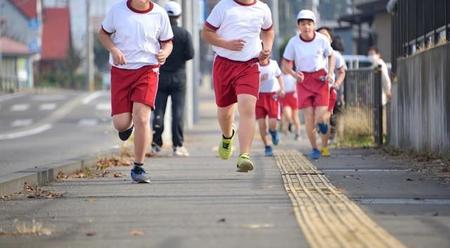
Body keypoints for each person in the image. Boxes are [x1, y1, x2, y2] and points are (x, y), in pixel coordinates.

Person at [98, 0, 173, 183]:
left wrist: (165, 52)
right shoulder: (117, 10)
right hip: (121, 70)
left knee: (142, 118)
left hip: (148, 70)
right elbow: (103, 34)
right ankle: (128, 126)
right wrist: (114, 49)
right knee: (120, 124)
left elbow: (167, 42)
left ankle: (138, 167)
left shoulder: (159, 14)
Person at [202, 0, 274, 172]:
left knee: (247, 108)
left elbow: (268, 30)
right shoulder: (224, 6)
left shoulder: (262, 9)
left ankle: (244, 156)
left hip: (250, 65)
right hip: (224, 65)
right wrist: (226, 44)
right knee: (225, 112)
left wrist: (267, 48)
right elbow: (206, 32)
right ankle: (227, 137)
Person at [281, 9, 335, 160]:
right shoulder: (293, 42)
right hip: (303, 80)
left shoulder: (322, 40)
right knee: (309, 118)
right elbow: (285, 64)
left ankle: (324, 140)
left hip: (320, 79)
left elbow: (331, 57)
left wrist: (330, 73)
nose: (306, 27)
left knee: (320, 117)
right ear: (298, 26)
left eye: (309, 24)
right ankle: (315, 148)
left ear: (314, 25)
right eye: (303, 24)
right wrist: (293, 74)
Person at [151, 1, 194, 157]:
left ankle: (156, 144)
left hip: (160, 76)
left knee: (158, 110)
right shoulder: (184, 34)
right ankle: (178, 146)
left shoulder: (158, 33)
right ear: (179, 16)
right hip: (179, 77)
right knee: (178, 111)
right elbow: (190, 55)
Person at [317, 26, 346, 157]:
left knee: (325, 119)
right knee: (316, 119)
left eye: (325, 36)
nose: (322, 38)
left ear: (330, 39)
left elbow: (341, 72)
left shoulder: (336, 55)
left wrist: (337, 83)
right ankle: (321, 139)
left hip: (329, 90)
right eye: (320, 35)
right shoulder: (312, 52)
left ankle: (324, 147)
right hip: (313, 90)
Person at [256, 58, 285, 157]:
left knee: (272, 123)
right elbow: (249, 81)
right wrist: (259, 79)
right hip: (259, 97)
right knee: (262, 125)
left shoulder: (273, 63)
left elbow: (279, 76)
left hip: (272, 96)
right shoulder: (254, 65)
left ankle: (273, 131)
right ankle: (267, 146)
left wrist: (282, 89)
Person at [280, 72, 301, 140]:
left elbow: (299, 83)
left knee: (295, 117)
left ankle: (298, 134)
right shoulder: (280, 75)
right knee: (287, 115)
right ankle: (290, 123)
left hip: (293, 96)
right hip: (285, 96)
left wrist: (297, 92)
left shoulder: (294, 74)